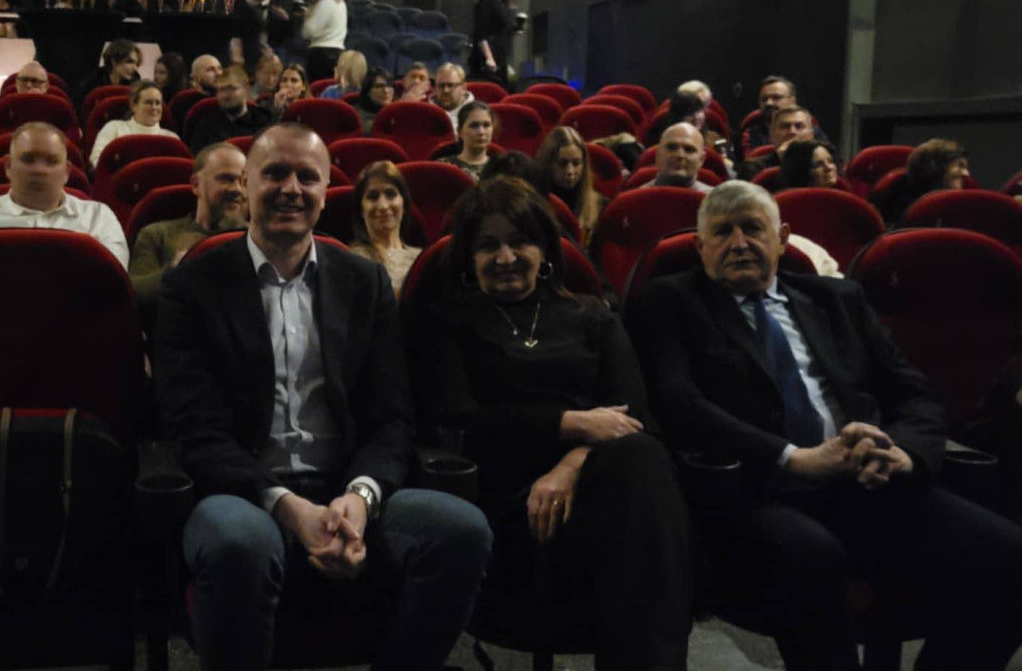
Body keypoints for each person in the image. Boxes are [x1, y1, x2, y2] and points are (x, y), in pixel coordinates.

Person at [627, 180, 1022, 671]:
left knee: (1011, 560)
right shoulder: (668, 302)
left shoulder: (838, 299)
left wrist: (903, 452)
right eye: (723, 232)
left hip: (868, 479)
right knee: (811, 557)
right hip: (759, 490)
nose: (739, 243)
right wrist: (794, 458)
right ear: (699, 246)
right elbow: (680, 405)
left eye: (752, 229)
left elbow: (914, 393)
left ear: (782, 238)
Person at [155, 122, 493, 671]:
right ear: (246, 183)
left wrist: (360, 498)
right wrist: (288, 508)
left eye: (307, 177)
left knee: (460, 529)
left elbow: (392, 417)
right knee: (239, 542)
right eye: (275, 174)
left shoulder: (365, 282)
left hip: (345, 488)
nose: (292, 189)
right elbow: (195, 428)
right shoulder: (192, 286)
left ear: (325, 190)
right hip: (243, 493)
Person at [414, 176, 693, 671]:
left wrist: (571, 464)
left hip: (600, 488)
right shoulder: (446, 321)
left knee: (642, 457)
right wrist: (571, 423)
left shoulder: (592, 316)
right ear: (468, 257)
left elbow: (635, 419)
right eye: (488, 246)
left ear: (545, 249)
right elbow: (455, 419)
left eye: (519, 242)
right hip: (502, 499)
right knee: (640, 517)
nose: (505, 257)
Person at [0, 122, 127, 268]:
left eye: (51, 161)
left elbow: (113, 290)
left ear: (67, 172)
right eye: (28, 159)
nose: (39, 170)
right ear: (8, 166)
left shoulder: (99, 219)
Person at [129, 142, 248, 302]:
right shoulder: (157, 234)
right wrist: (176, 267)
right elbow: (136, 294)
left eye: (244, 182)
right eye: (226, 179)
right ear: (196, 185)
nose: (237, 189)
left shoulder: (261, 238)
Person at [349, 160, 425, 294]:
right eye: (372, 197)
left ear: (404, 203)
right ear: (361, 209)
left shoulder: (422, 259)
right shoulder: (352, 259)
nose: (383, 206)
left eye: (390, 194)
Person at [527, 126, 606, 244]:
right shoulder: (533, 204)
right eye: (562, 163)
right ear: (548, 164)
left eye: (576, 163)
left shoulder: (600, 205)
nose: (570, 171)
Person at [871, 138, 972, 224]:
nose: (966, 174)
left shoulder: (963, 208)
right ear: (935, 166)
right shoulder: (898, 205)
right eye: (960, 165)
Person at [89, 80, 180, 169]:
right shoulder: (114, 127)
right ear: (133, 106)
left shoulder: (172, 138)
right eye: (148, 102)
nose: (154, 107)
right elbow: (97, 160)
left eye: (158, 103)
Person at [189, 67, 272, 153]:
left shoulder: (263, 122)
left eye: (231, 88)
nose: (225, 95)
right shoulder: (206, 127)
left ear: (246, 90)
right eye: (221, 89)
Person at [742, 76, 828, 154]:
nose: (769, 103)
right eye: (764, 99)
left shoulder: (810, 125)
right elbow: (751, 161)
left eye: (776, 97)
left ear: (792, 101)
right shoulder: (751, 131)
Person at [470, 0, 517, 87]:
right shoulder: (485, 1)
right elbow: (480, 34)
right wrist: (488, 57)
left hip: (501, 56)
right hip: (487, 58)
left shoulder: (502, 4)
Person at [301, 0, 348, 83]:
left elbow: (309, 32)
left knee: (317, 88)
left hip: (321, 55)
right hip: (338, 53)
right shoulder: (341, 3)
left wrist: (307, 16)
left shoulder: (324, 3)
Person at [435, 101, 497, 179]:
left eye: (486, 125)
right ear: (459, 132)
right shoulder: (443, 167)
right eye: (474, 126)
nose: (481, 132)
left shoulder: (501, 170)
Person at [73, 38, 140, 108]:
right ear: (114, 61)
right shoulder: (95, 79)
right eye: (129, 62)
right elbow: (77, 106)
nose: (135, 68)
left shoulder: (135, 83)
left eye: (136, 63)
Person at [648, 123, 714, 193]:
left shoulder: (716, 198)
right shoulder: (640, 198)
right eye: (671, 148)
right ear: (658, 155)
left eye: (689, 150)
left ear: (701, 159)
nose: (680, 155)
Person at [228, 0, 270, 74]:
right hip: (241, 53)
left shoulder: (259, 0)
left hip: (256, 52)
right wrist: (236, 54)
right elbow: (235, 28)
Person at [776, 139, 841, 191]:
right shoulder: (786, 201)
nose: (829, 168)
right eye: (818, 165)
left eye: (830, 161)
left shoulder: (842, 195)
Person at [353, 67, 395, 135]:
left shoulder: (398, 112)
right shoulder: (356, 115)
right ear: (367, 91)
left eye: (389, 86)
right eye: (379, 86)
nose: (386, 91)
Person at [434, 63, 474, 132]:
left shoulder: (477, 113)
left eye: (450, 85)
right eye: (441, 86)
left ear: (463, 87)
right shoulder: (425, 112)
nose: (445, 90)